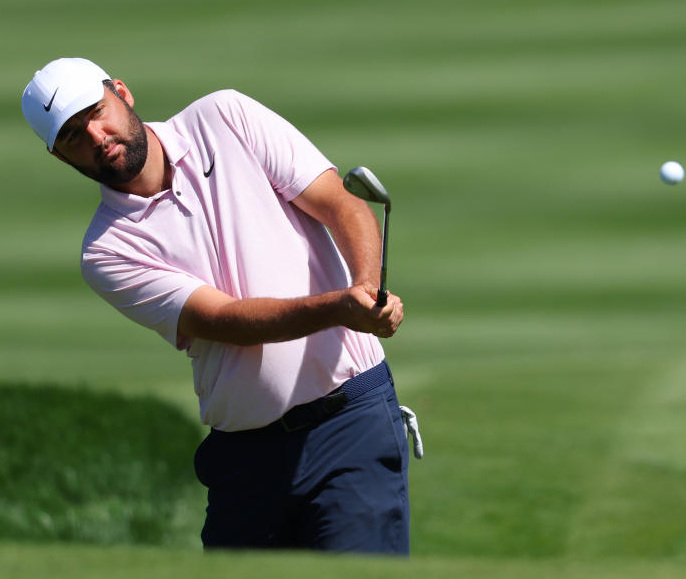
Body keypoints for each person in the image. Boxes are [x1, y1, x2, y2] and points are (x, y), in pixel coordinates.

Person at [21, 57, 415, 554]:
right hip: (246, 459)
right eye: (74, 136)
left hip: (348, 425)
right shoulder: (106, 251)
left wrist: (364, 287)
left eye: (97, 112)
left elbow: (340, 202)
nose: (97, 135)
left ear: (122, 92)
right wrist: (342, 307)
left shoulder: (225, 116)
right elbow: (227, 322)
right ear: (62, 158)